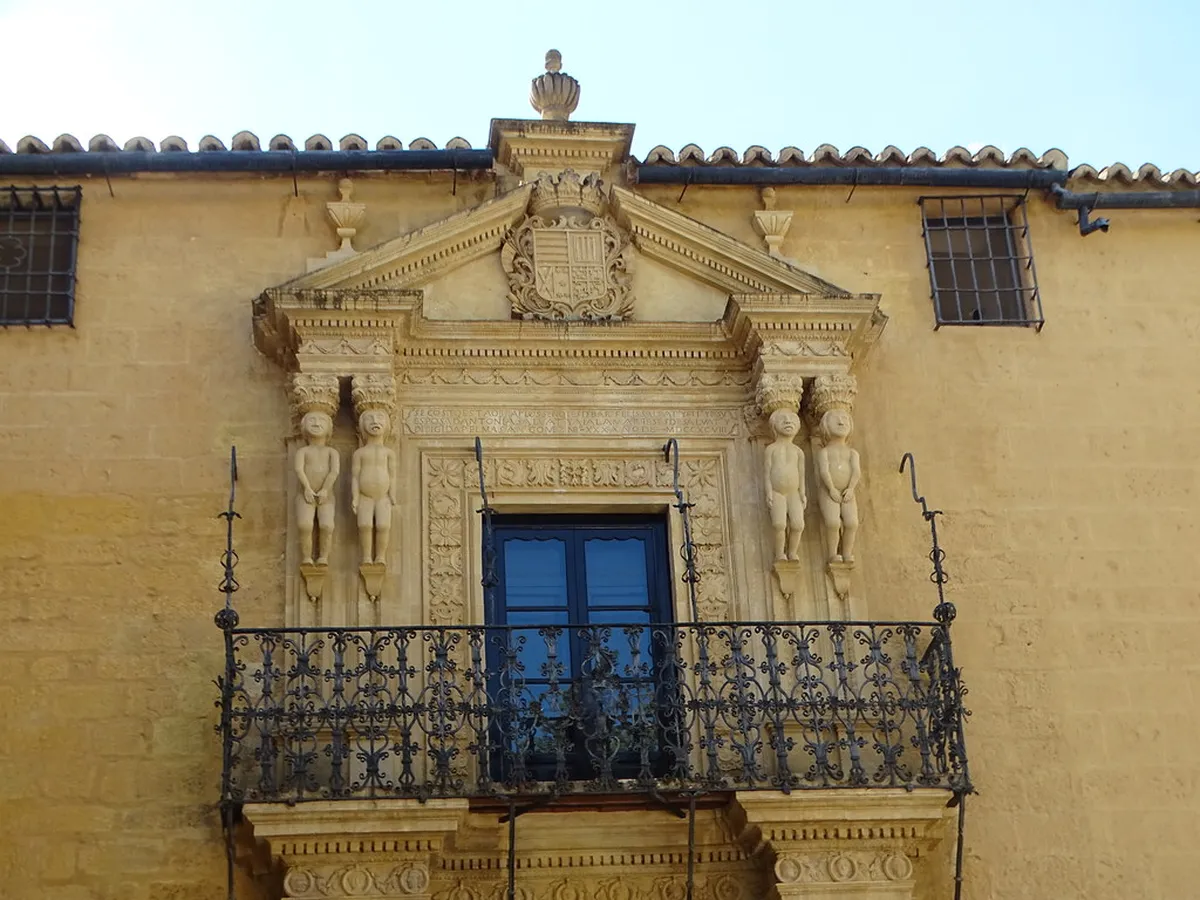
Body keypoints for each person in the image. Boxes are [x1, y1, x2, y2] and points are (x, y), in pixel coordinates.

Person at [813, 409, 860, 564]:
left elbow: (856, 471)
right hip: (829, 492)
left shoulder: (852, 453)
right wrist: (831, 488)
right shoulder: (825, 452)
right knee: (833, 522)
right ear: (825, 426)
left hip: (847, 492)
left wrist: (851, 488)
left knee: (852, 523)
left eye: (845, 419)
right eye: (836, 420)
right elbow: (824, 471)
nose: (841, 422)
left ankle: (847, 553)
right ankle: (833, 553)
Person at [351, 409, 396, 565]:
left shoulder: (388, 452)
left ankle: (380, 557)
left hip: (383, 496)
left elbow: (392, 475)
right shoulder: (360, 453)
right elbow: (355, 475)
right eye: (369, 419)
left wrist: (392, 494)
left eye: (379, 418)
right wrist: (355, 497)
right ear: (362, 426)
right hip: (365, 496)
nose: (375, 421)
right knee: (365, 525)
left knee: (383, 525)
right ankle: (366, 557)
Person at [294, 411, 339, 565]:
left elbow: (334, 471)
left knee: (327, 525)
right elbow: (299, 470)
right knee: (305, 525)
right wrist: (307, 488)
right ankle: (307, 557)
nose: (316, 423)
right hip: (306, 494)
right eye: (312, 420)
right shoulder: (303, 451)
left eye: (321, 421)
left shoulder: (331, 452)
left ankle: (323, 557)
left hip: (326, 496)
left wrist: (325, 489)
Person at [763, 409, 807, 561]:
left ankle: (792, 552)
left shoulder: (798, 451)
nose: (788, 422)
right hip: (777, 492)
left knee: (798, 524)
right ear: (774, 426)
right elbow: (767, 472)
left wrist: (802, 493)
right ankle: (780, 553)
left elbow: (801, 474)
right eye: (783, 419)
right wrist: (768, 491)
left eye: (792, 419)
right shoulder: (771, 449)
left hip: (794, 493)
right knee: (779, 524)